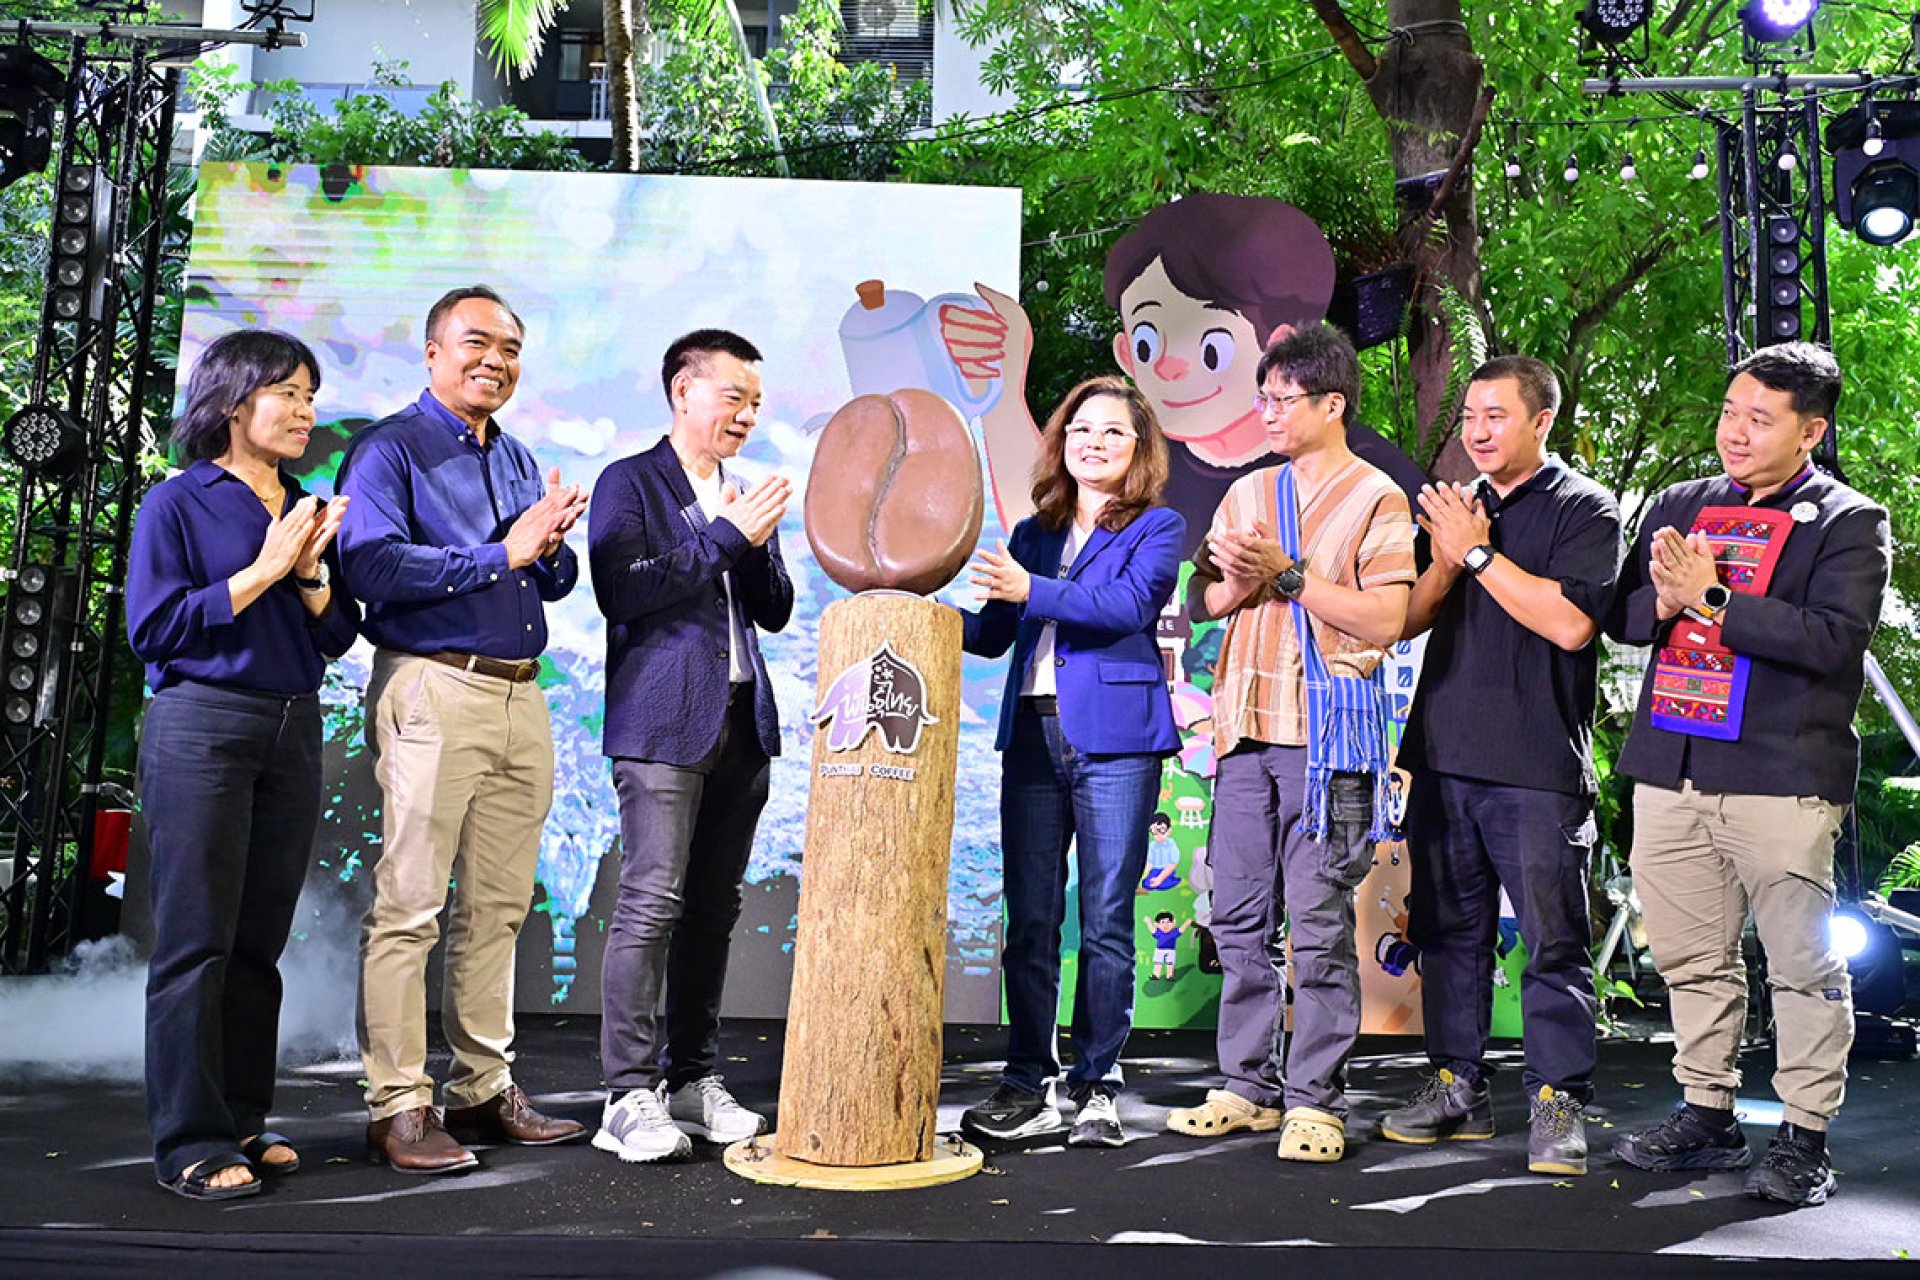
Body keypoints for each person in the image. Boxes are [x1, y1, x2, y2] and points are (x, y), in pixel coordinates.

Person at [1607, 343, 1889, 1208]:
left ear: (1811, 431)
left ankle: (1805, 1135)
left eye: (1760, 419)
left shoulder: (1848, 521)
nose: (1735, 431)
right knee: (1690, 958)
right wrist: (1663, 601)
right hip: (1672, 768)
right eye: (1731, 412)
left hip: (1781, 775)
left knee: (1801, 967)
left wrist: (1713, 598)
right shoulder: (1680, 504)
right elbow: (1622, 617)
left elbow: (1832, 640)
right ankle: (1708, 1111)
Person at [338, 285, 591, 1173]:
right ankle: (399, 1105)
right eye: (478, 342)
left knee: (500, 909)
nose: (496, 361)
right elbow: (368, 565)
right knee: (410, 907)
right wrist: (502, 552)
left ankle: (482, 1087)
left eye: (511, 349)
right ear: (434, 351)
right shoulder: (389, 449)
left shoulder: (516, 455)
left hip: (521, 695)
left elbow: (545, 581)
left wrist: (549, 548)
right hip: (434, 686)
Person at [1165, 323, 1415, 1162]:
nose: (1267, 412)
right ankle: (1248, 1088)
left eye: (1282, 399)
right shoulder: (1246, 492)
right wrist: (1236, 581)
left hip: (1327, 740)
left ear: (1332, 403)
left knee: (1317, 921)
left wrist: (1290, 573)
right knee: (1236, 918)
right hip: (1243, 730)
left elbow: (1387, 617)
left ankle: (1317, 1100)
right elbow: (1207, 603)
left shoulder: (1378, 497)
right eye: (1262, 398)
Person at [127, 328, 358, 1199]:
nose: (305, 411)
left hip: (292, 725)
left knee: (259, 941)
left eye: (310, 396)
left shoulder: (305, 504)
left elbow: (337, 634)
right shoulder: (178, 502)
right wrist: (264, 569)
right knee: (197, 942)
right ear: (232, 402)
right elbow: (154, 629)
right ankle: (189, 1138)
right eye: (287, 393)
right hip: (203, 725)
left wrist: (309, 574)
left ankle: (244, 1118)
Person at [1380, 356, 1623, 1176]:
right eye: (1470, 417)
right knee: (1449, 935)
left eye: (1496, 416)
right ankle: (1458, 1087)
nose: (1478, 432)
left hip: (1537, 764)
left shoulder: (1585, 507)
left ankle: (1558, 1101)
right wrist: (1450, 557)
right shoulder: (1458, 509)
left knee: (1554, 943)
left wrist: (1480, 556)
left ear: (1541, 421)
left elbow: (1570, 625)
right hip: (1444, 756)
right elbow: (1409, 619)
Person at [953, 376, 1184, 1149]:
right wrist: (917, 604)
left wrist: (1033, 589)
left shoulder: (1158, 526)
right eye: (1081, 429)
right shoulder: (1033, 533)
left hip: (1116, 741)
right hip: (1031, 735)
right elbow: (993, 634)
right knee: (1031, 920)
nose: (1094, 442)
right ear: (1061, 442)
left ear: (1139, 449)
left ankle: (1095, 1085)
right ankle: (1027, 1080)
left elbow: (1126, 608)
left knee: (1108, 920)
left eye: (1113, 431)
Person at [587, 329, 794, 1163]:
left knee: (713, 909)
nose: (746, 415)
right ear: (683, 391)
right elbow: (621, 590)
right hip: (661, 724)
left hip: (742, 721)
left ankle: (691, 1077)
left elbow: (774, 609)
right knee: (651, 904)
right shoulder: (630, 481)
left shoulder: (744, 490)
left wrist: (753, 542)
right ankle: (626, 1093)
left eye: (755, 403)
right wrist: (724, 535)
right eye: (733, 396)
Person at [942, 194, 1426, 550]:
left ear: (1278, 352)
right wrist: (1002, 393)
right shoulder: (1142, 462)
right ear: (1126, 355)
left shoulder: (1361, 471)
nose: (1169, 368)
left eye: (1212, 347)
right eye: (1148, 343)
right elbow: (1048, 533)